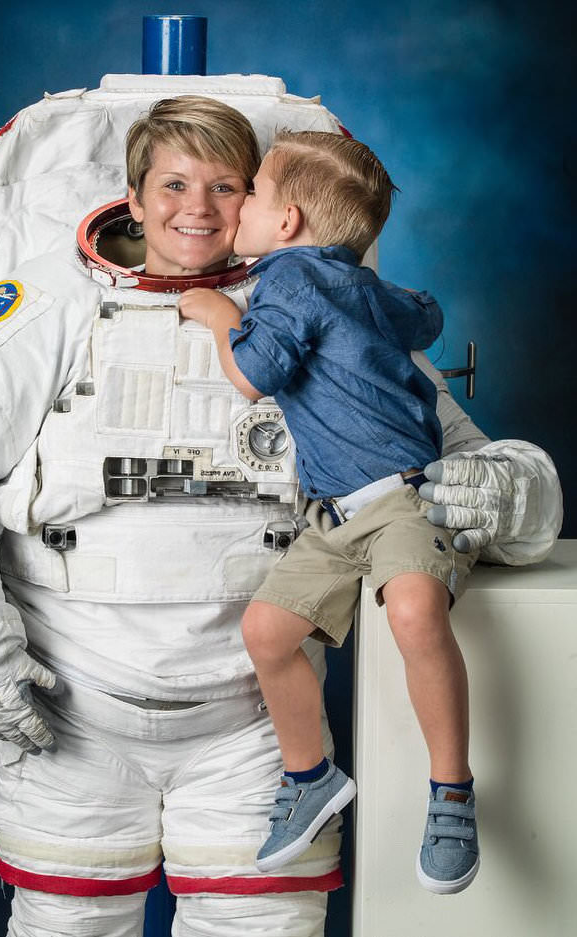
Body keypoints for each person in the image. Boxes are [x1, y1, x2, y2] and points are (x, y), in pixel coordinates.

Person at [0, 89, 561, 937]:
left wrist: (510, 491)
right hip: (72, 715)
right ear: (131, 197)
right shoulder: (50, 304)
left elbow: (486, 472)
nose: (196, 209)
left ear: (267, 206)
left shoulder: (324, 313)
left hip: (254, 731)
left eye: (226, 187)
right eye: (171, 185)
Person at [179, 129, 479, 894]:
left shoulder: (285, 279)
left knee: (414, 610)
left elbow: (254, 374)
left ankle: (451, 792)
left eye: (250, 192)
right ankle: (309, 775)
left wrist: (215, 311)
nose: (235, 203)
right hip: (338, 515)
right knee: (268, 630)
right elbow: (425, 317)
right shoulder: (357, 284)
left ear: (284, 224)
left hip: (401, 499)